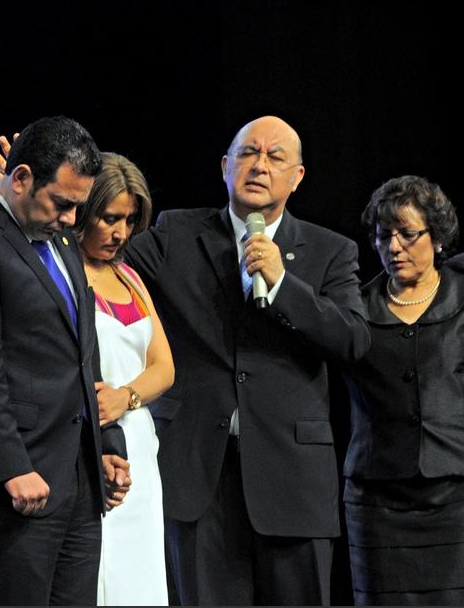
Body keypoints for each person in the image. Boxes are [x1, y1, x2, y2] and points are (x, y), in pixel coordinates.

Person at [121, 116, 371, 605]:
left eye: (275, 157)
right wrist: (32, 200)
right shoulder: (177, 233)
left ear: (297, 177)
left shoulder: (330, 251)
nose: (259, 165)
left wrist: (283, 285)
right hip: (197, 479)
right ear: (224, 166)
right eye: (248, 153)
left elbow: (354, 340)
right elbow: (100, 254)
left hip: (293, 483)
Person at [0, 116, 132, 606]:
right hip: (15, 484)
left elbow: (83, 352)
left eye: (78, 206)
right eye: (61, 203)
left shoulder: (59, 239)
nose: (71, 219)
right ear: (20, 179)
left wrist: (105, 443)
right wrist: (10, 467)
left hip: (78, 477)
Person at [0, 147, 175, 605]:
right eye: (110, 218)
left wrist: (125, 397)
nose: (121, 232)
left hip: (136, 450)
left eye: (129, 220)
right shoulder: (59, 272)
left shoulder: (130, 278)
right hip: (83, 445)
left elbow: (165, 368)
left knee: (140, 580)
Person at [342, 175, 464, 605]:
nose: (394, 246)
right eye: (384, 235)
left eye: (407, 234)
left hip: (455, 495)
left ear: (437, 237)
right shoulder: (356, 309)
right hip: (377, 503)